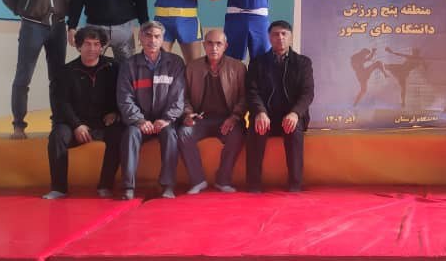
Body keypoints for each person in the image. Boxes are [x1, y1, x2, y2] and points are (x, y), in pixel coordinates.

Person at [0, 0, 75, 139]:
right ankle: (18, 125)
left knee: (58, 78)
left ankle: (58, 123)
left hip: (58, 26)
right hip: (33, 25)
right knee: (23, 76)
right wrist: (22, 9)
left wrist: (68, 13)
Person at [43, 26, 122, 199]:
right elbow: (60, 103)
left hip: (103, 122)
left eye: (96, 44)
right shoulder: (65, 72)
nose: (92, 48)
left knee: (119, 135)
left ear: (102, 47)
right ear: (79, 46)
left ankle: (105, 186)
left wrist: (115, 112)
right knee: (57, 136)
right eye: (87, 44)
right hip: (74, 124)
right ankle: (58, 188)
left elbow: (123, 94)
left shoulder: (113, 67)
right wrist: (77, 125)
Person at [117, 21, 186, 200]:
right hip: (139, 122)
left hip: (165, 121)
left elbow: (178, 97)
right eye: (148, 36)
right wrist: (139, 120)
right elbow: (125, 98)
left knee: (170, 135)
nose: (152, 40)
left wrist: (167, 119)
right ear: (140, 38)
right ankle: (128, 187)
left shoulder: (175, 63)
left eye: (157, 36)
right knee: (130, 135)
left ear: (162, 39)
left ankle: (167, 185)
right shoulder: (129, 65)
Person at [246, 20, 314, 192]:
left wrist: (295, 113)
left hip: (291, 116)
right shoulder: (257, 63)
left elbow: (307, 93)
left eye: (284, 34)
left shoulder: (303, 63)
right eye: (275, 34)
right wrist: (260, 112)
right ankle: (253, 184)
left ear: (290, 37)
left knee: (294, 128)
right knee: (256, 127)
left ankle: (295, 184)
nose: (280, 38)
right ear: (269, 37)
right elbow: (251, 92)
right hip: (266, 116)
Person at [178, 29, 246, 194]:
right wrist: (188, 114)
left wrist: (235, 117)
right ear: (204, 45)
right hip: (200, 119)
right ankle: (198, 180)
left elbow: (245, 98)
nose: (214, 48)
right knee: (184, 133)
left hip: (228, 119)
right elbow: (183, 97)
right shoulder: (192, 67)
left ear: (225, 46)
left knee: (237, 135)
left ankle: (223, 180)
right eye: (209, 43)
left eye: (218, 44)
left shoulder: (238, 67)